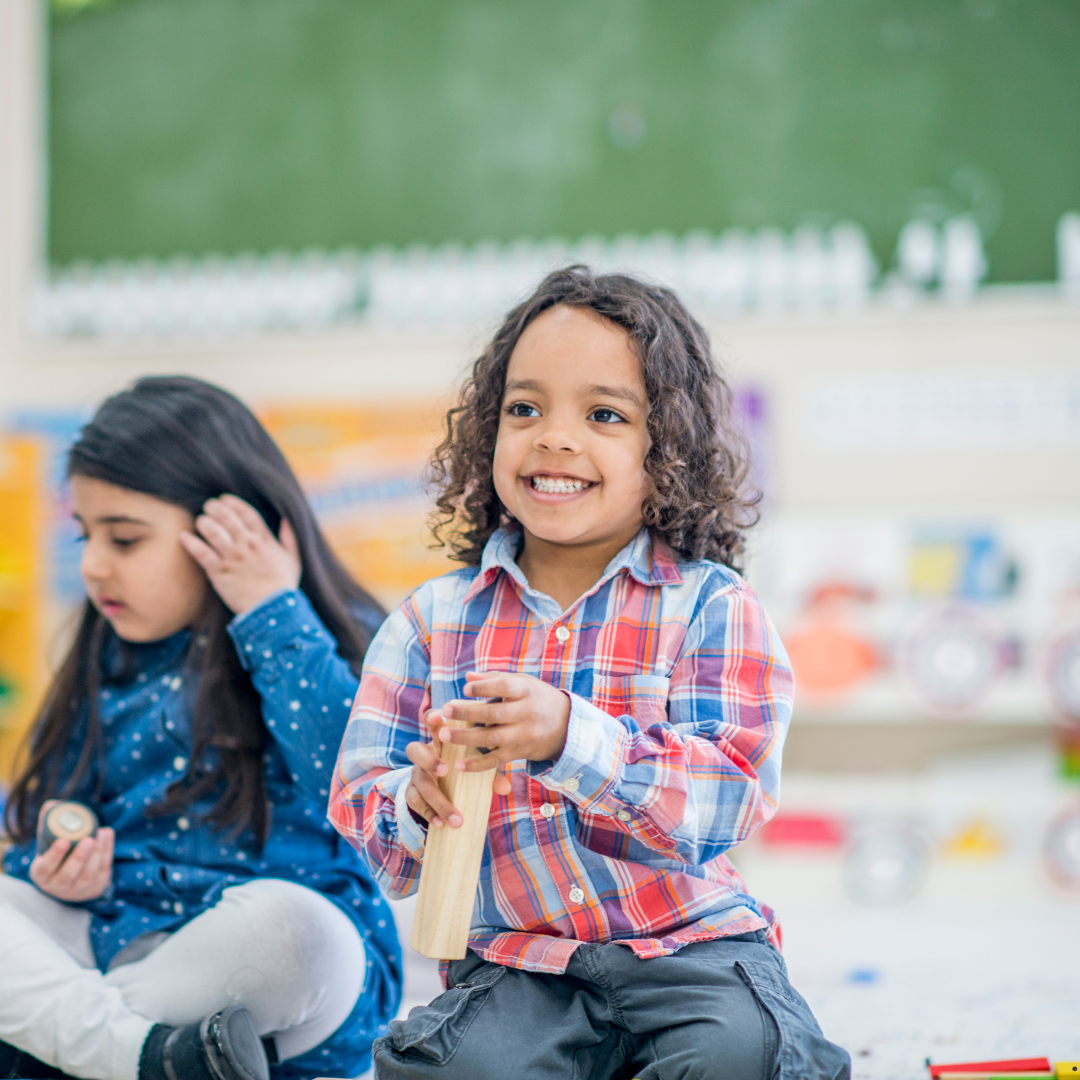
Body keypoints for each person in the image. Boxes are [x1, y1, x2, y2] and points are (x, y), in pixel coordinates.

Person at [329, 267, 850, 1079]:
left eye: (603, 414)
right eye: (524, 408)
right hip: (517, 962)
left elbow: (729, 797)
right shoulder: (431, 622)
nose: (554, 438)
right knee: (446, 1068)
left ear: (666, 449)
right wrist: (412, 804)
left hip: (693, 948)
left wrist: (570, 737)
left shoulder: (711, 605)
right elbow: (364, 811)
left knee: (744, 1057)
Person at [0, 377, 401, 1080]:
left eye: (124, 539)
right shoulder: (108, 653)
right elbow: (58, 812)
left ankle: (64, 1046)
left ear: (234, 530)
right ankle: (145, 1059)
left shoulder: (317, 639)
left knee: (304, 936)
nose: (94, 565)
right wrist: (54, 869)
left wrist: (272, 610)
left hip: (255, 974)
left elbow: (356, 790)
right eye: (85, 534)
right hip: (116, 936)